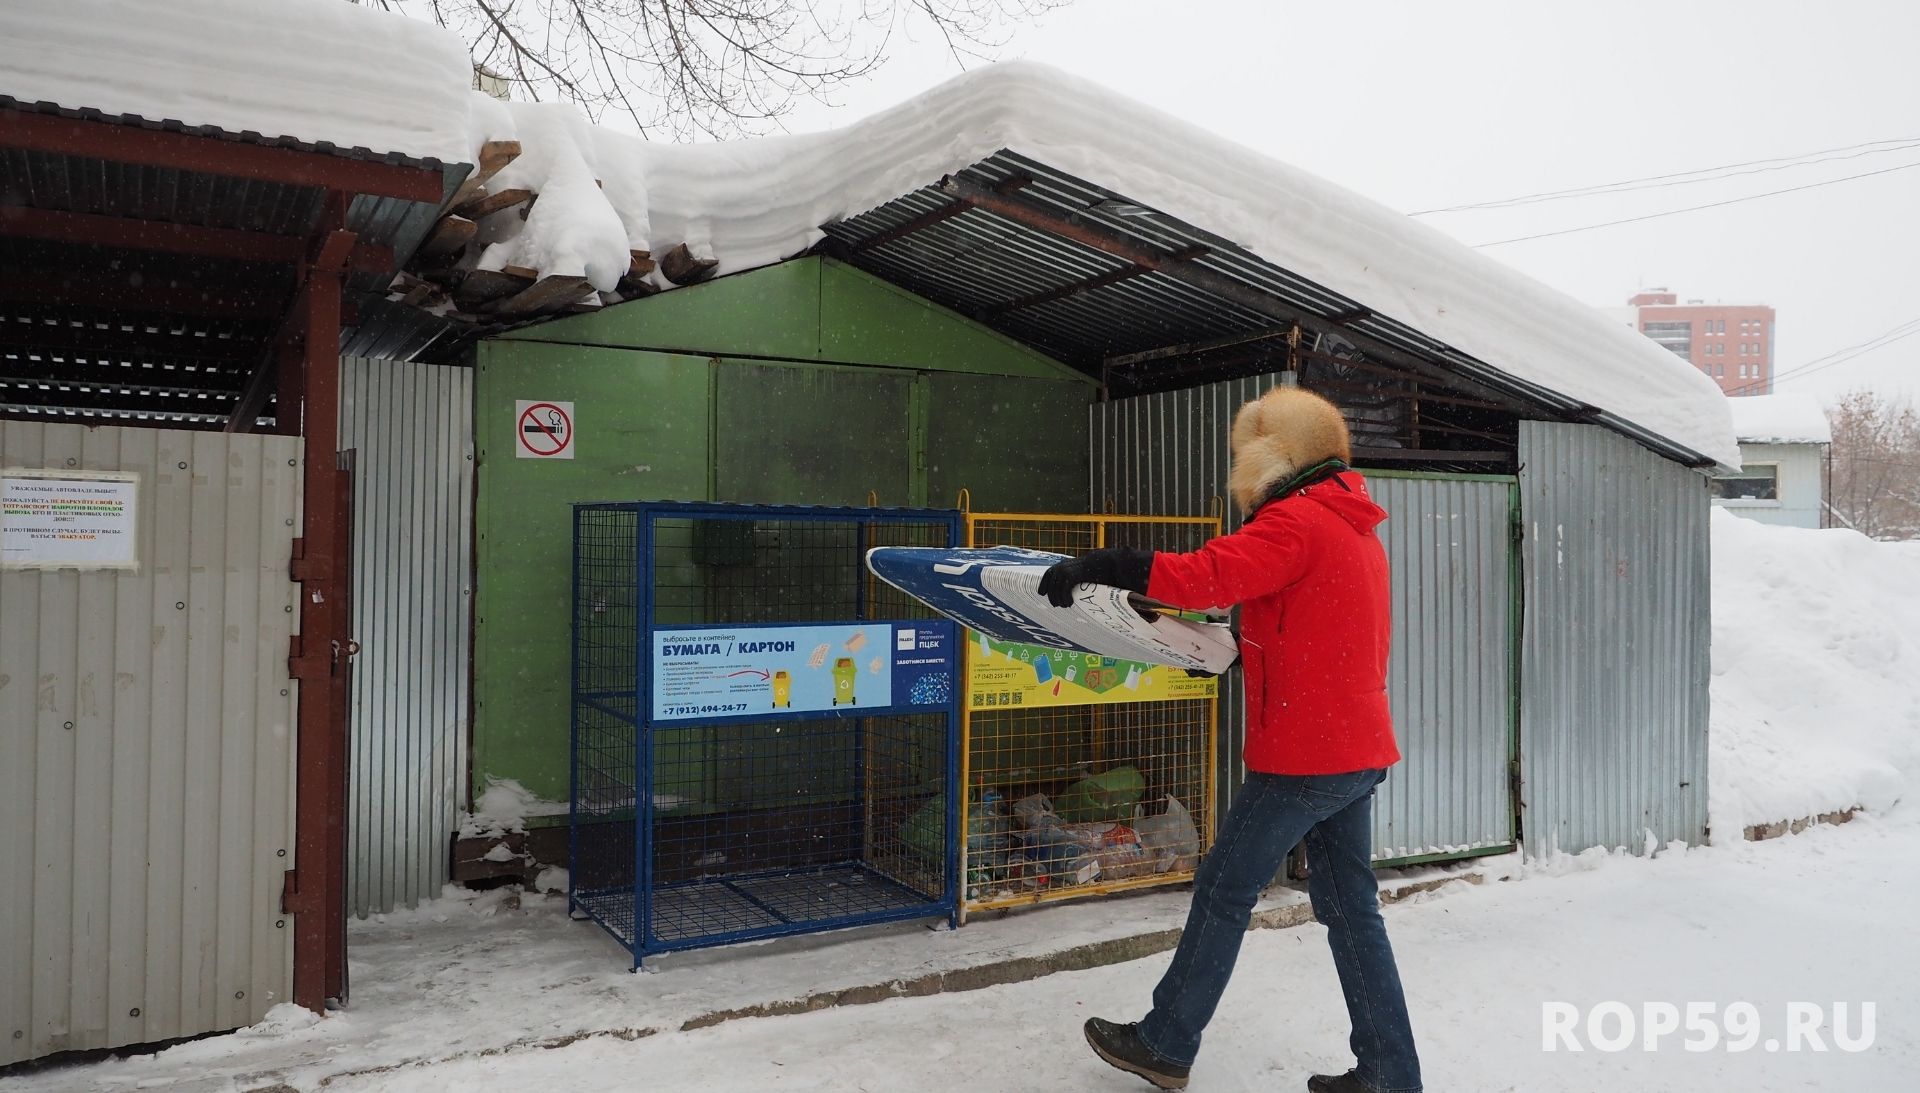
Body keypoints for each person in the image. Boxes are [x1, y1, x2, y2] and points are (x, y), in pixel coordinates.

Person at [1037, 387, 1420, 1093]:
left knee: (1222, 889)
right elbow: (1323, 631)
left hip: (1305, 755)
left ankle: (1166, 1040)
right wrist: (1241, 651)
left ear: (1272, 459)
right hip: (1355, 749)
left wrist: (1098, 565)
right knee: (1350, 909)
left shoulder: (1297, 522)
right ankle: (1390, 1073)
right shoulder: (1354, 526)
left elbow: (1202, 575)